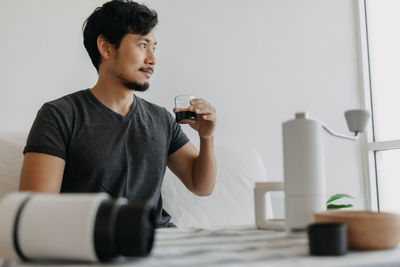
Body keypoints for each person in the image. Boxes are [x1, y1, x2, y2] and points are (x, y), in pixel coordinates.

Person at [18, 0, 217, 228]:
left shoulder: (161, 119)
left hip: (159, 242)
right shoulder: (59, 116)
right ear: (106, 47)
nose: (152, 59)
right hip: (91, 247)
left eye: (154, 47)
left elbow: (201, 186)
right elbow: (35, 214)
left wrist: (207, 137)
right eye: (142, 45)